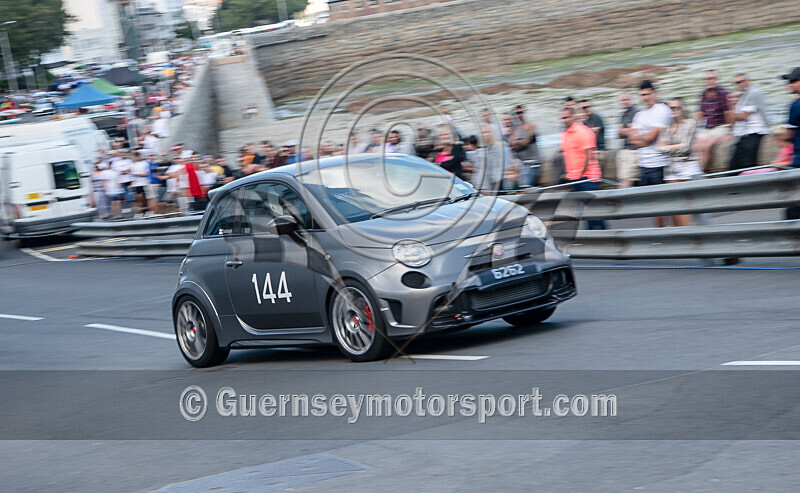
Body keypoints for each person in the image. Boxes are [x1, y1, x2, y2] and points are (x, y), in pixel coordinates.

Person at [630, 79, 673, 227]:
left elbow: (650, 138)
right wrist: (644, 138)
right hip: (644, 164)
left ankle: (668, 233)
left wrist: (642, 138)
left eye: (647, 94)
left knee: (664, 203)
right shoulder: (639, 114)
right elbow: (632, 139)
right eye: (642, 95)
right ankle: (660, 233)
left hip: (659, 163)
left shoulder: (661, 110)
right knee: (652, 205)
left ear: (654, 93)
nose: (645, 98)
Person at [657, 97, 703, 226]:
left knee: (692, 206)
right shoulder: (666, 128)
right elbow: (660, 149)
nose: (674, 110)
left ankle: (696, 235)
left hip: (688, 168)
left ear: (682, 109)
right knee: (675, 208)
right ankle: (683, 236)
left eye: (677, 107)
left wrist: (669, 147)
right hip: (671, 170)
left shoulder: (690, 123)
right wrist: (676, 146)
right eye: (671, 108)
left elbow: (686, 148)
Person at [559, 106, 605, 230]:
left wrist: (580, 175)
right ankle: (594, 239)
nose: (564, 120)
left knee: (594, 214)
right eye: (562, 118)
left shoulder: (582, 131)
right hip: (575, 179)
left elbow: (589, 157)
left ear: (573, 116)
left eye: (567, 117)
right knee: (585, 214)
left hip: (588, 179)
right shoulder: (564, 134)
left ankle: (602, 237)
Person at [729, 74, 770, 171]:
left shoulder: (753, 93)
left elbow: (742, 117)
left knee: (746, 164)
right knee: (733, 164)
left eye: (742, 81)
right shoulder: (744, 95)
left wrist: (730, 106)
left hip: (756, 132)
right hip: (746, 133)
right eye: (737, 82)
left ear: (749, 81)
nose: (740, 84)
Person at [693, 70, 732, 171]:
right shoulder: (703, 94)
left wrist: (730, 131)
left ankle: (699, 172)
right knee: (696, 145)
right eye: (707, 79)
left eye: (712, 78)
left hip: (720, 126)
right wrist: (694, 128)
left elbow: (728, 113)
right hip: (707, 128)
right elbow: (700, 114)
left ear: (716, 80)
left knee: (707, 145)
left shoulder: (723, 93)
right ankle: (695, 170)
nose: (709, 81)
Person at [781, 66, 800, 219]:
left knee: (792, 212)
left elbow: (788, 135)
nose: (790, 84)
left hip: (799, 162)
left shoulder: (795, 106)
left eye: (794, 81)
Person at [509, 104, 541, 187]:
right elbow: (511, 144)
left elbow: (527, 141)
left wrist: (517, 142)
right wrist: (519, 142)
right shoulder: (516, 128)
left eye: (521, 112)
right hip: (523, 164)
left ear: (525, 113)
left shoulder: (530, 126)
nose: (519, 115)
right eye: (517, 113)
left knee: (527, 187)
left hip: (532, 163)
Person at [616, 92, 640, 188]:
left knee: (626, 179)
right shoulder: (623, 115)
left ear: (631, 100)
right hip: (624, 150)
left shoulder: (636, 112)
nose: (624, 102)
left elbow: (635, 132)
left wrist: (624, 130)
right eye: (622, 100)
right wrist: (627, 130)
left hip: (633, 150)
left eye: (626, 99)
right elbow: (619, 134)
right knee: (621, 178)